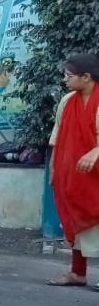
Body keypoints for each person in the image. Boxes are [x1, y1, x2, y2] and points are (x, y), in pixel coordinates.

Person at [47, 54, 99, 289]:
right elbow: (57, 138)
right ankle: (78, 273)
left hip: (95, 174)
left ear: (86, 77)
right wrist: (54, 169)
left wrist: (96, 151)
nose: (65, 80)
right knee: (75, 221)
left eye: (69, 76)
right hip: (73, 173)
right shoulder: (67, 101)